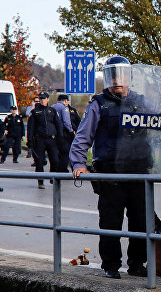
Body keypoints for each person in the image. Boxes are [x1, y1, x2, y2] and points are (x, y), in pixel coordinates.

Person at [69, 56, 154, 279]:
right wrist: (78, 163)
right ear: (108, 78)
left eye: (121, 75)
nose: (117, 80)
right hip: (110, 173)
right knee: (110, 222)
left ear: (129, 77)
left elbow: (158, 128)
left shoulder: (141, 102)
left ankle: (137, 263)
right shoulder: (99, 104)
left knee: (140, 221)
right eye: (113, 75)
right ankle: (111, 265)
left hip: (138, 172)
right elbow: (83, 137)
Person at [27, 92, 62, 189]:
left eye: (44, 98)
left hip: (52, 139)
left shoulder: (52, 111)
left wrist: (60, 137)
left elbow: (58, 124)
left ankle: (53, 178)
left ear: (48, 99)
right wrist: (29, 140)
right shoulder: (35, 112)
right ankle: (41, 181)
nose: (42, 100)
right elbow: (31, 127)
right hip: (40, 140)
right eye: (41, 98)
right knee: (39, 161)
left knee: (55, 160)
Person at [50, 94, 75, 172]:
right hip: (62, 133)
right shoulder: (64, 108)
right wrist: (71, 131)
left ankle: (55, 169)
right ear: (65, 101)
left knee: (55, 152)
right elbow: (66, 122)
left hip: (52, 133)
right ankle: (62, 169)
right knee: (64, 152)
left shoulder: (52, 107)